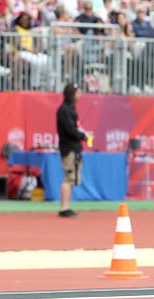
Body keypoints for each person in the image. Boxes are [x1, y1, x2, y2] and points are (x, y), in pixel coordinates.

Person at [56, 83, 90, 218]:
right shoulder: (64, 110)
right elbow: (71, 130)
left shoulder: (69, 110)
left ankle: (66, 206)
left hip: (73, 148)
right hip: (69, 148)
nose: (80, 95)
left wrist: (83, 134)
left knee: (71, 178)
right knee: (69, 178)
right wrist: (83, 136)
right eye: (78, 92)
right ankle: (64, 208)